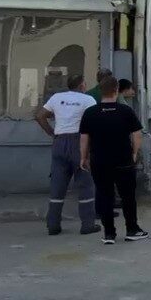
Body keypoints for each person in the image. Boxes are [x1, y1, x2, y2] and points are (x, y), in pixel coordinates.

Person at [79, 77, 148, 244]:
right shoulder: (125, 111)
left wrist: (83, 157)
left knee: (104, 195)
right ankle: (132, 229)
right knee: (128, 196)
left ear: (101, 91)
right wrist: (134, 153)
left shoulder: (90, 112)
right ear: (116, 90)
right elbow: (137, 134)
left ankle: (109, 233)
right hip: (123, 159)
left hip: (100, 161)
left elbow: (84, 138)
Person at [35, 74, 100, 236]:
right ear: (82, 85)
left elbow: (39, 116)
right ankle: (87, 224)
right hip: (79, 142)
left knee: (58, 184)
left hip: (60, 142)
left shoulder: (57, 98)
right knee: (85, 184)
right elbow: (95, 121)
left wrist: (51, 132)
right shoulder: (88, 100)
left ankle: (53, 225)